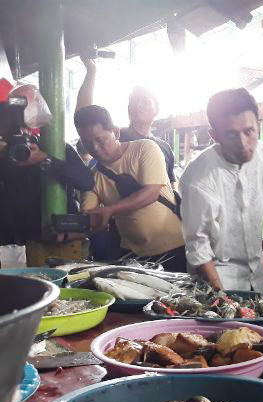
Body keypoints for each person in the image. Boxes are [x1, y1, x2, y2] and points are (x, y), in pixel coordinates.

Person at [180, 88, 263, 291]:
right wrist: (223, 299)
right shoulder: (198, 176)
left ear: (258, 126)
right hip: (218, 275)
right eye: (231, 134)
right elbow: (198, 245)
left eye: (249, 131)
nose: (243, 143)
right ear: (214, 135)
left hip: (257, 276)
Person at [75, 105, 186, 271]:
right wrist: (74, 229)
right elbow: (90, 217)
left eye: (100, 140)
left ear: (116, 132)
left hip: (174, 247)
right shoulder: (92, 176)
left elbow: (151, 193)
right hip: (133, 255)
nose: (95, 148)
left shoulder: (145, 149)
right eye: (88, 143)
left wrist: (110, 210)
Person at [0, 83, 94, 246]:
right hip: (16, 243)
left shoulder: (55, 147)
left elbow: (86, 181)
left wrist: (45, 159)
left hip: (59, 238)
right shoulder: (4, 150)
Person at [77, 59, 176, 187]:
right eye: (133, 101)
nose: (138, 105)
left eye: (145, 101)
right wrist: (91, 72)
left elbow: (171, 184)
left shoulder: (165, 148)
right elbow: (83, 115)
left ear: (157, 110)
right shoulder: (114, 137)